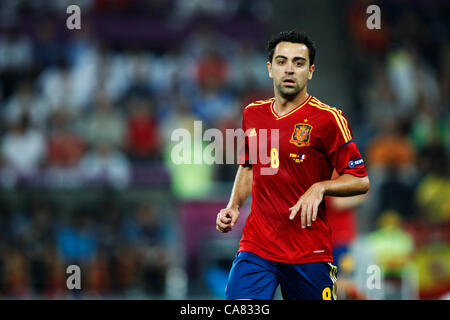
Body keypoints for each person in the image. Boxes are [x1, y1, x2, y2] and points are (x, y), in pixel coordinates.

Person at [216, 30, 370, 300]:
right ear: (269, 68)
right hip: (257, 246)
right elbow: (249, 166)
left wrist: (321, 187)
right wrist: (233, 206)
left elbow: (360, 180)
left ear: (310, 71)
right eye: (281, 61)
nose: (289, 69)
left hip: (308, 251)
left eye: (298, 63)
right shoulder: (253, 113)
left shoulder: (329, 119)